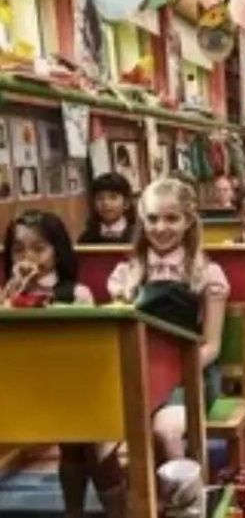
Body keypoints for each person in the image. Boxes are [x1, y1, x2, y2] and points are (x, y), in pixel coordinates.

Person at [107, 178, 230, 510]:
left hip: (190, 375)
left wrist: (171, 376)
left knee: (167, 429)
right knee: (101, 435)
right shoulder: (126, 273)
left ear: (188, 221)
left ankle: (189, 505)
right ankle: (133, 505)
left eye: (171, 218)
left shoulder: (206, 273)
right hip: (138, 373)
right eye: (152, 218)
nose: (161, 227)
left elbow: (212, 346)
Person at [1, 210, 125, 518]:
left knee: (90, 441)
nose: (28, 257)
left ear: (57, 251)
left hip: (73, 386)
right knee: (80, 438)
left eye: (39, 248)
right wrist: (11, 296)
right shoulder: (7, 296)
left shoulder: (77, 294)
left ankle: (106, 510)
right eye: (19, 250)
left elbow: (93, 351)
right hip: (24, 388)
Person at [78, 173, 135, 244]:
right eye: (100, 198)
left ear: (126, 203)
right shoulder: (87, 238)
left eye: (113, 197)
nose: (105, 203)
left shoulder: (136, 236)